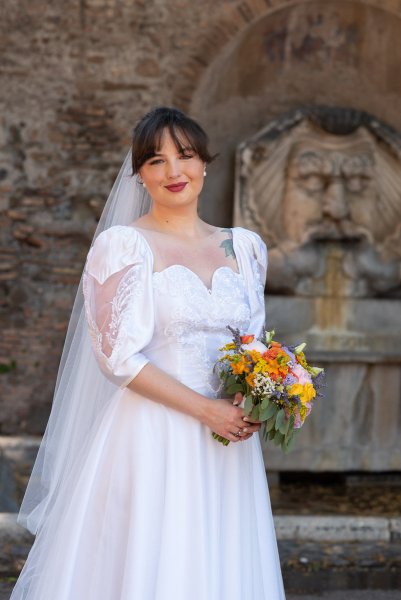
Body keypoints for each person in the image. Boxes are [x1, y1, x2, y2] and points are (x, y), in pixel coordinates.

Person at [10, 107, 286, 599]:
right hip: (154, 437)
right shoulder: (123, 246)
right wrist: (206, 410)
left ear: (205, 162)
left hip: (228, 446)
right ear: (140, 174)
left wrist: (263, 397)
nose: (174, 172)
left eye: (185, 155)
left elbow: (254, 344)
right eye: (156, 161)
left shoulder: (245, 248)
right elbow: (117, 358)